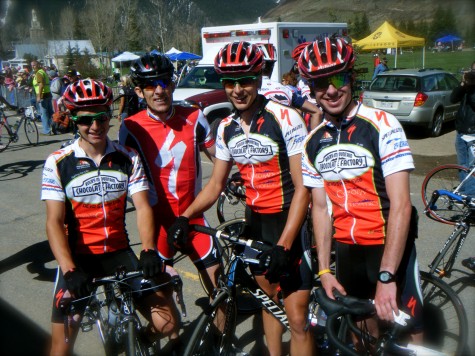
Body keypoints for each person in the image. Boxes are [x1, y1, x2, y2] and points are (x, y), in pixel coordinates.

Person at [167, 41, 314, 356]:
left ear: (259, 78)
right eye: (229, 82)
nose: (237, 89)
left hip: (290, 222)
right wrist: (185, 216)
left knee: (297, 317)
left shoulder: (285, 118)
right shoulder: (225, 128)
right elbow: (216, 184)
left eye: (245, 80)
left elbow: (304, 188)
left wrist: (285, 244)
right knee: (270, 302)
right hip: (256, 222)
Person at [299, 37, 423, 346]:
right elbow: (320, 208)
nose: (330, 90)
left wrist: (386, 276)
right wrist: (325, 270)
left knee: (410, 325)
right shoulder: (311, 142)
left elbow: (402, 206)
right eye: (320, 83)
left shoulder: (383, 124)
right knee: (362, 329)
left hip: (388, 246)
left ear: (352, 77)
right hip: (348, 250)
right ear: (311, 90)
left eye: (338, 78)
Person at [41, 79, 179, 355]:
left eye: (102, 117)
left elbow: (142, 207)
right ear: (73, 119)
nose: (95, 126)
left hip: (119, 254)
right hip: (79, 260)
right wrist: (69, 269)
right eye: (86, 120)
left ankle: (137, 341)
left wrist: (149, 250)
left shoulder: (127, 157)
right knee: (59, 348)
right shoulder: (58, 162)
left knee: (168, 324)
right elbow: (54, 222)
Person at [118, 53, 220, 346]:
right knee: (165, 311)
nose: (159, 90)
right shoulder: (131, 127)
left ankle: (213, 345)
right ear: (139, 91)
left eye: (164, 82)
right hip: (159, 225)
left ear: (172, 84)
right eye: (150, 85)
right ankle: (159, 342)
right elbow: (123, 178)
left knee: (222, 291)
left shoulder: (193, 116)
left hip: (194, 220)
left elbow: (220, 160)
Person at [450, 61, 475, 197]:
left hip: (474, 133)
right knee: (462, 165)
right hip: (461, 131)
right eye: (472, 71)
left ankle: (471, 198)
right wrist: (463, 85)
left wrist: (471, 89)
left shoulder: (472, 90)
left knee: (472, 167)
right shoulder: (467, 86)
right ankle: (465, 193)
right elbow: (453, 98)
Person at [31, 60, 55, 135]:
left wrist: (38, 96)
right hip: (48, 94)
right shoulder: (42, 72)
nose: (33, 67)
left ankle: (46, 130)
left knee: (44, 114)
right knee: (50, 113)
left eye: (34, 65)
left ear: (38, 65)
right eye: (32, 65)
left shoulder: (39, 73)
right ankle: (55, 128)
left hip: (43, 95)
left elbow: (41, 85)